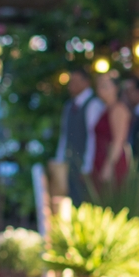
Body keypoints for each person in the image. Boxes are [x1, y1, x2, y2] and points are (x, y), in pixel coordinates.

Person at [55, 67, 104, 204]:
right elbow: (64, 135)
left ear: (86, 82)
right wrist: (60, 160)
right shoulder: (69, 106)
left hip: (85, 164)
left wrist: (87, 166)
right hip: (70, 163)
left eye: (76, 81)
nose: (72, 85)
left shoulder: (93, 105)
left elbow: (93, 137)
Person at [92, 73, 132, 187]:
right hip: (100, 159)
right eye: (99, 85)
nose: (100, 88)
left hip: (112, 162)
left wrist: (108, 166)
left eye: (105, 86)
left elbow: (118, 140)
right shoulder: (105, 109)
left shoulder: (118, 109)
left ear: (116, 88)